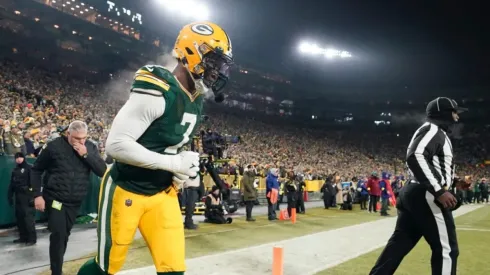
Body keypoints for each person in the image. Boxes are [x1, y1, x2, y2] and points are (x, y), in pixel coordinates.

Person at [77, 21, 233, 275]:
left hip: (163, 193)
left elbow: (169, 147)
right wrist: (173, 163)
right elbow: (116, 145)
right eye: (214, 61)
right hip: (126, 188)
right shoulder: (159, 85)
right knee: (107, 266)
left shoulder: (195, 100)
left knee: (173, 268)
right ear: (192, 51)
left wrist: (181, 170)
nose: (218, 71)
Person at [370, 97, 466, 275]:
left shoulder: (433, 132)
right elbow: (415, 156)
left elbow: (431, 163)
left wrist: (454, 181)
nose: (457, 117)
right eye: (454, 113)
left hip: (416, 192)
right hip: (426, 194)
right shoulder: (433, 130)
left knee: (399, 245)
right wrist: (439, 190)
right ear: (444, 113)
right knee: (447, 250)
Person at [30, 121, 106, 275]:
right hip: (56, 199)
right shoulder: (53, 146)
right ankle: (56, 271)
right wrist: (37, 195)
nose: (81, 141)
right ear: (68, 134)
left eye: (84, 138)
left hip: (75, 200)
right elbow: (36, 170)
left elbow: (102, 171)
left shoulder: (90, 147)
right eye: (77, 138)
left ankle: (56, 266)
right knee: (58, 233)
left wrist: (85, 154)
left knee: (64, 234)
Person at [8, 152, 36, 245]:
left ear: (23, 158)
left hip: (27, 196)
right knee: (19, 218)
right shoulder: (15, 170)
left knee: (28, 218)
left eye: (20, 157)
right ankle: (23, 237)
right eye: (16, 157)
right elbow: (12, 184)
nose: (18, 159)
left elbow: (34, 183)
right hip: (18, 196)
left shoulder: (30, 168)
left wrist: (33, 197)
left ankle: (32, 239)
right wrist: (10, 196)